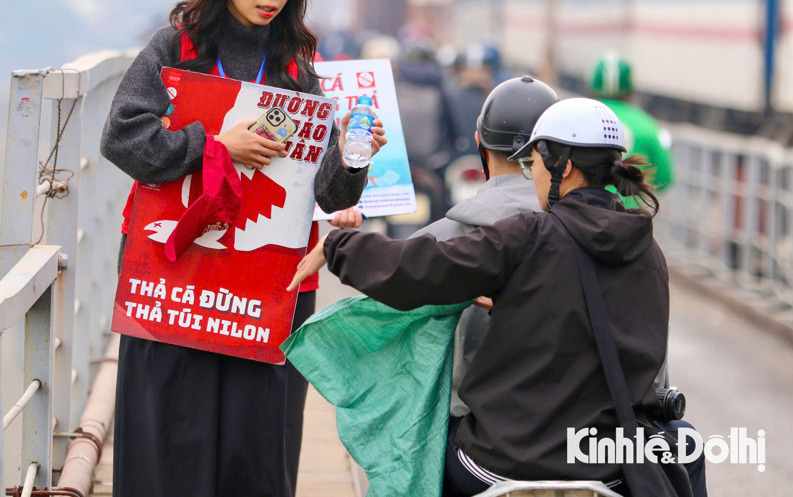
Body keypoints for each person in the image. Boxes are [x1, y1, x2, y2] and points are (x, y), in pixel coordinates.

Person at [100, 0, 386, 497]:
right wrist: (214, 147)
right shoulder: (180, 48)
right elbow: (121, 137)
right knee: (169, 444)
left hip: (261, 291)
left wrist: (356, 158)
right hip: (177, 286)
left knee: (256, 452)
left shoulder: (297, 74)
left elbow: (328, 194)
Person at [290, 98, 706, 497]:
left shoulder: (529, 235)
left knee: (424, 439)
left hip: (501, 461)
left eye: (535, 163)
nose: (533, 174)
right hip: (611, 467)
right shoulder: (647, 252)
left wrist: (338, 247)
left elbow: (422, 268)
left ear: (561, 165)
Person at [409, 76, 558, 417]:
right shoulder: (609, 238)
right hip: (582, 446)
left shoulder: (434, 243)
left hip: (472, 443)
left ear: (480, 143)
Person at [589, 50, 674, 195]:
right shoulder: (646, 125)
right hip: (630, 215)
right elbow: (664, 179)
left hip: (583, 214)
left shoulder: (581, 118)